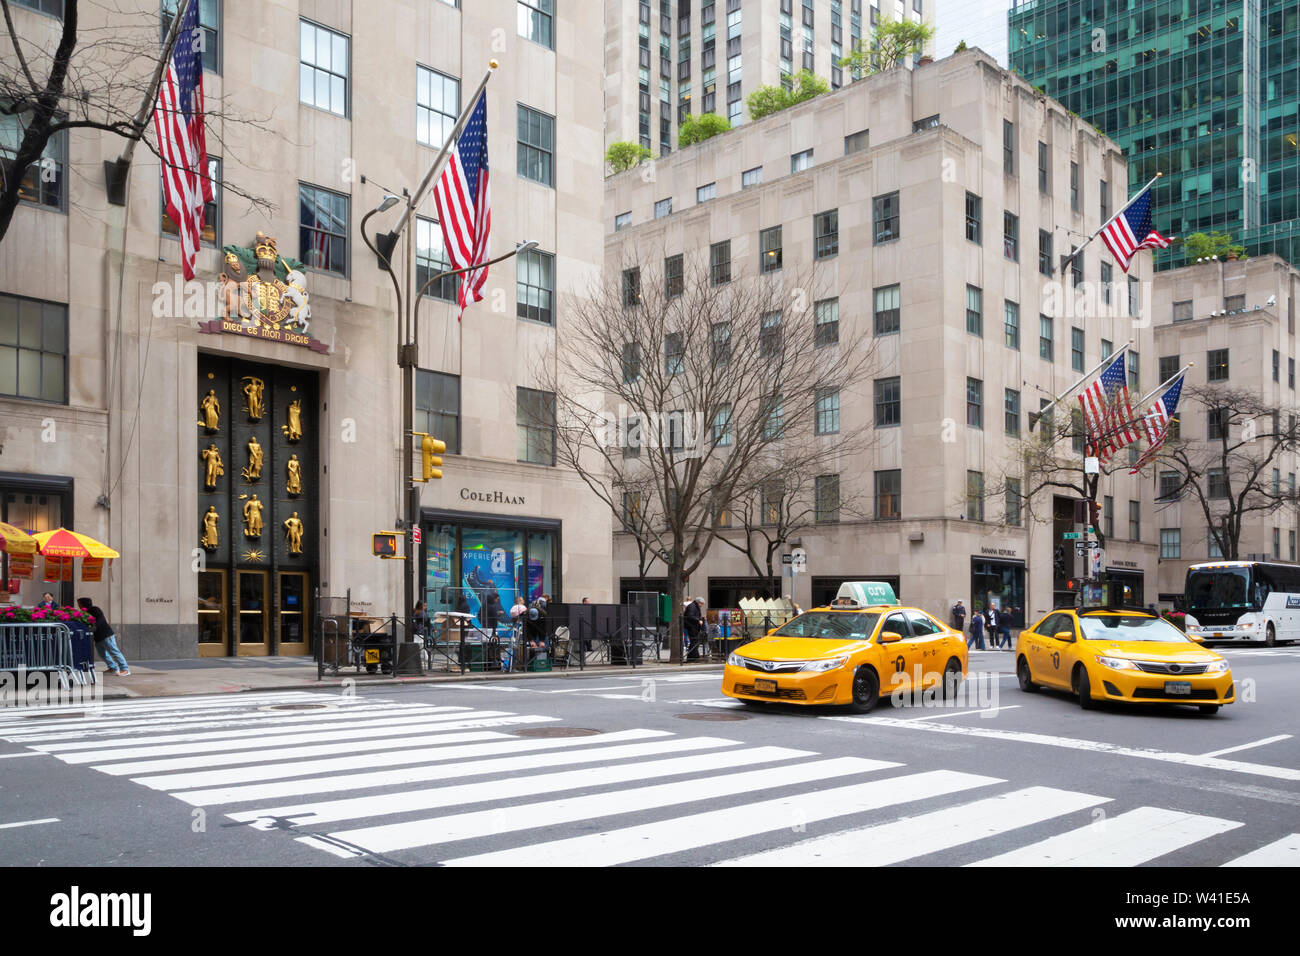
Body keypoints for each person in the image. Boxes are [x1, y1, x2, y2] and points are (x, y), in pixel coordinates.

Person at [78, 597, 129, 676]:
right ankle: (113, 668)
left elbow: (100, 619)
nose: (79, 605)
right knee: (103, 654)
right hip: (98, 637)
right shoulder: (84, 613)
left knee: (114, 651)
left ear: (84, 603)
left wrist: (93, 627)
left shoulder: (95, 609)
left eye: (79, 603)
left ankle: (125, 669)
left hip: (106, 635)